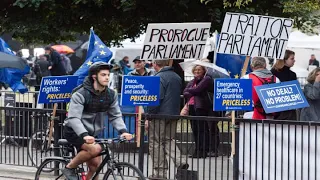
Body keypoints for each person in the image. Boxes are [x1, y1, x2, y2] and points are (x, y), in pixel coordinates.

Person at [62, 62, 133, 180]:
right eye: (103, 75)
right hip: (74, 131)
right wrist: (84, 135)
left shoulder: (111, 95)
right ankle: (69, 167)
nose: (107, 77)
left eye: (108, 75)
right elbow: (73, 118)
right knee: (95, 149)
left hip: (92, 134)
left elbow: (115, 115)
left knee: (95, 166)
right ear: (94, 77)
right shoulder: (80, 94)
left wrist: (123, 131)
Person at [147, 60, 188, 179]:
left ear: (155, 64)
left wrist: (150, 116)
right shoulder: (176, 76)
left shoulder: (159, 77)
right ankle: (181, 161)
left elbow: (156, 98)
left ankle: (160, 173)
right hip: (173, 114)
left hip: (159, 115)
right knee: (168, 139)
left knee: (155, 142)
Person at [183, 65, 220, 158]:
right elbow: (185, 92)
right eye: (195, 69)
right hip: (192, 106)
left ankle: (203, 150)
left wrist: (191, 90)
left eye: (199, 69)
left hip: (201, 107)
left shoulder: (207, 79)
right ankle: (197, 150)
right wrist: (192, 91)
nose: (197, 71)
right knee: (194, 129)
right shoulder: (193, 81)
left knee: (202, 129)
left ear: (204, 70)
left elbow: (197, 89)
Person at [271, 50, 298, 120]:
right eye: (292, 59)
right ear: (284, 60)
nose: (294, 61)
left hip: (287, 108)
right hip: (277, 108)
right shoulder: (273, 72)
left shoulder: (292, 74)